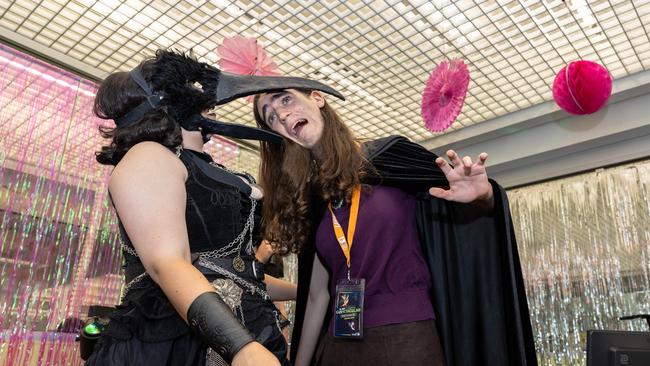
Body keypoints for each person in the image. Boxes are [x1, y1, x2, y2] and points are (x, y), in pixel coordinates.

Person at [85, 50, 337, 366]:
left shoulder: (204, 169)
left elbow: (238, 274)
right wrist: (242, 348)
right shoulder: (149, 157)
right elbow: (168, 264)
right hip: (175, 345)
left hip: (243, 332)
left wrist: (304, 293)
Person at [252, 89, 537, 365]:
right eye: (271, 117)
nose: (282, 114)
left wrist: (484, 197)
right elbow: (317, 296)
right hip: (338, 345)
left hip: (405, 337)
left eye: (285, 100)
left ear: (317, 97)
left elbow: (474, 217)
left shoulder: (392, 156)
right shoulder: (313, 198)